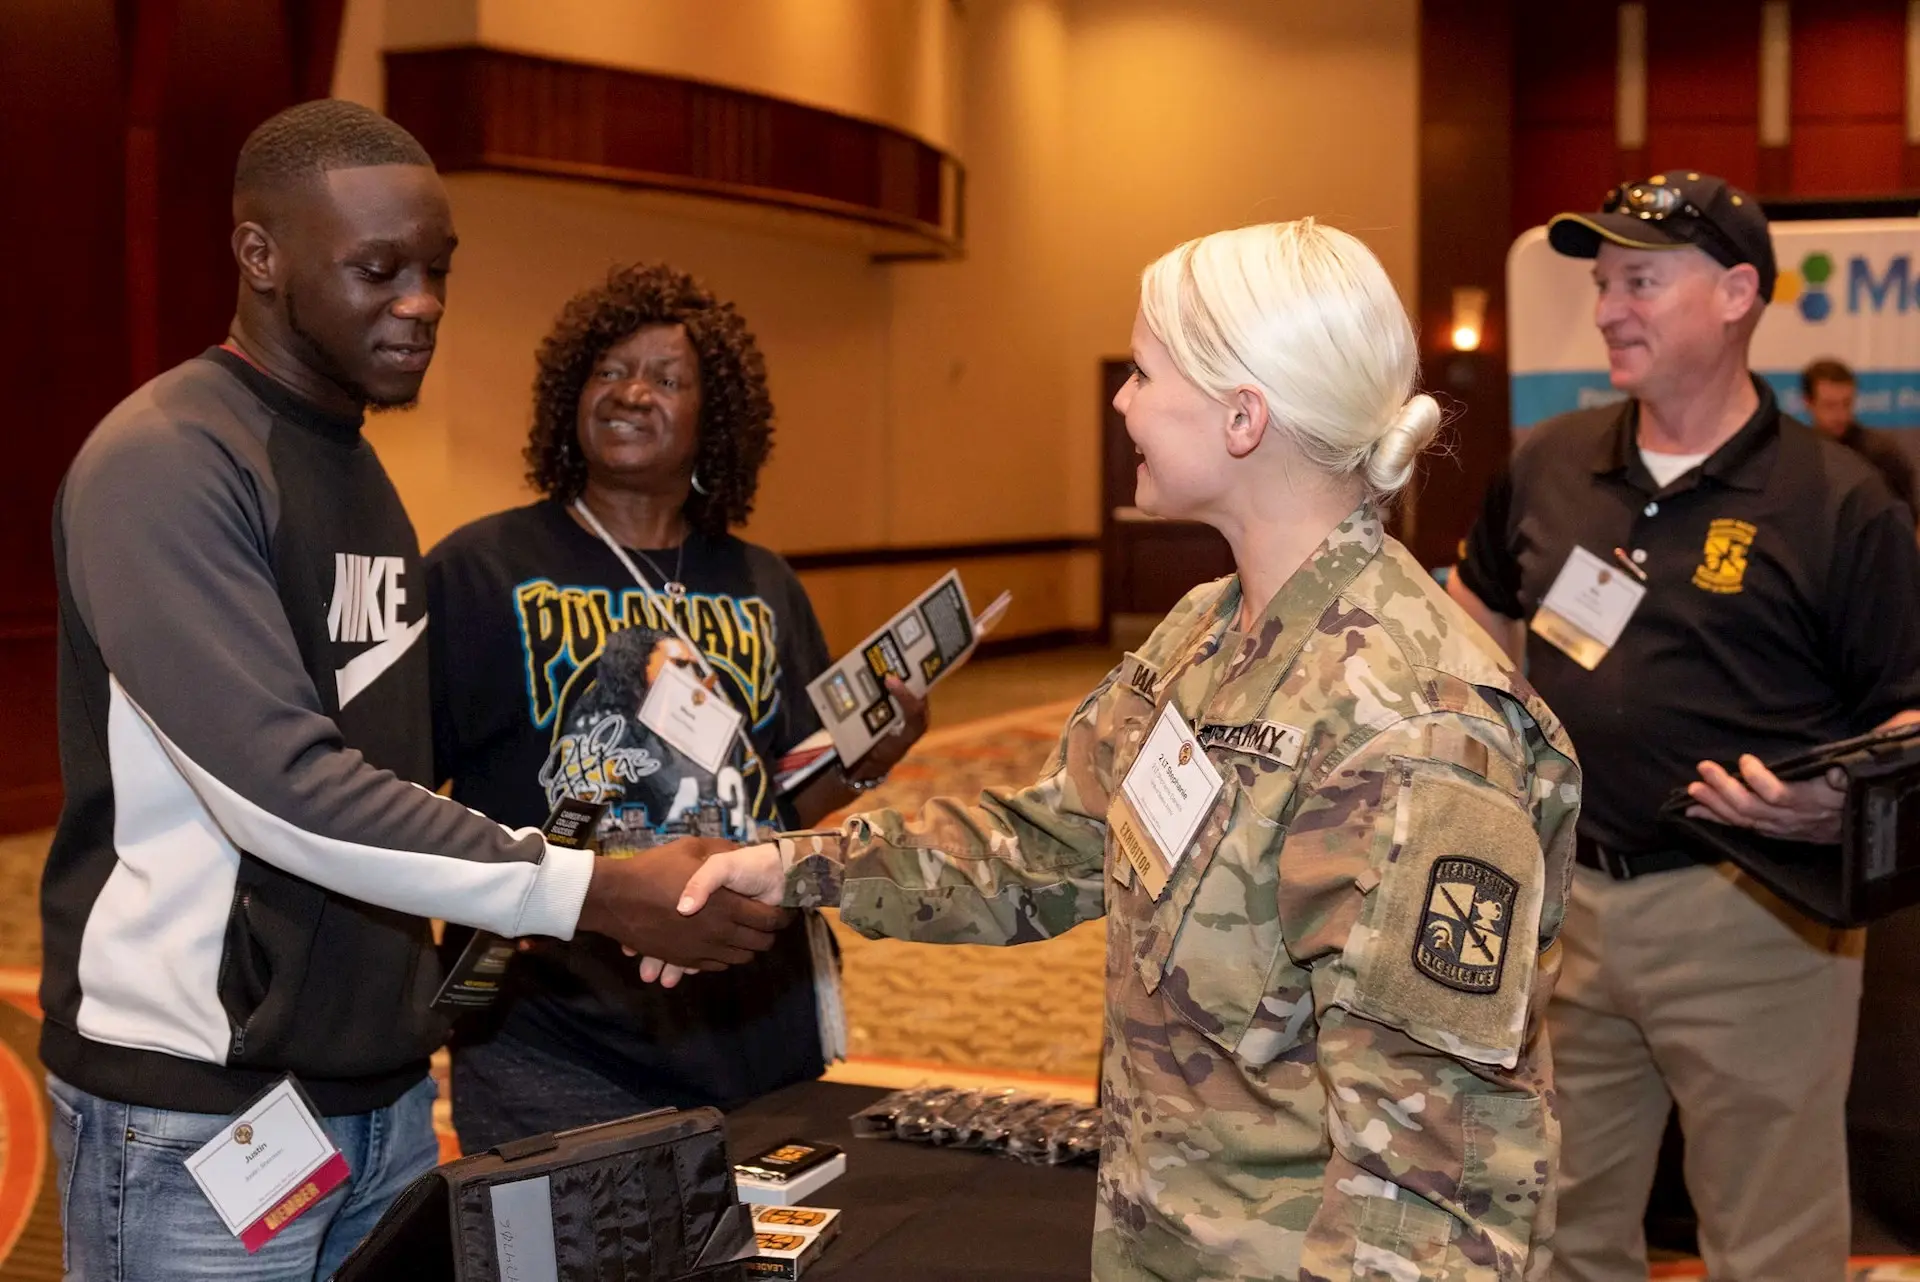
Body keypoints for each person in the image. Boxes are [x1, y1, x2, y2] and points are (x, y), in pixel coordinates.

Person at [677, 220, 1582, 1281]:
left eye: (1146, 372)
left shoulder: (1415, 727)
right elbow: (1053, 847)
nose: (1122, 402)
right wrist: (796, 866)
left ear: (1245, 416)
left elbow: (1439, 1188)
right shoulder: (1204, 632)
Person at [41, 102, 784, 1281]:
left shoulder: (354, 469)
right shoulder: (168, 463)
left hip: (378, 1099)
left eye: (438, 270)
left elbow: (402, 777)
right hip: (201, 1113)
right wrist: (591, 891)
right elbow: (284, 792)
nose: (424, 301)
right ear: (260, 256)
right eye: (378, 268)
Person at [1446, 172, 1920, 1282]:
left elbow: (1909, 714)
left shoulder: (1840, 501)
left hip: (1757, 917)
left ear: (1737, 294)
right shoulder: (1552, 463)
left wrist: (1832, 805)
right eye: (1604, 283)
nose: (1610, 307)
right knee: (1561, 1226)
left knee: (1771, 1243)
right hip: (1569, 906)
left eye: (1641, 281)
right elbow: (1474, 619)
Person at [426, 263, 929, 1150]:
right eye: (609, 370)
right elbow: (406, 803)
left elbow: (775, 803)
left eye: (666, 378)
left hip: (750, 1024)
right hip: (552, 1035)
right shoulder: (480, 571)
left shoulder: (762, 583)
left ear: (714, 420)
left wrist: (868, 756)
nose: (630, 393)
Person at [1801, 357, 1917, 517]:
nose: (1840, 415)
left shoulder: (1882, 453)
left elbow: (1910, 518)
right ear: (1808, 403)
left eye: (1847, 403)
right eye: (1830, 405)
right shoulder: (1797, 455)